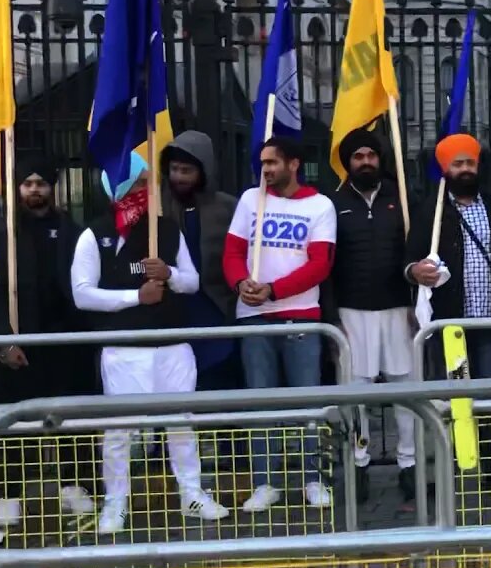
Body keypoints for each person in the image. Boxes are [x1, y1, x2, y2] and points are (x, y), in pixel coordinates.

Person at [71, 152, 229, 534]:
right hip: (125, 350)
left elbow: (192, 281)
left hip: (173, 345)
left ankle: (191, 494)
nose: (147, 190)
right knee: (120, 431)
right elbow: (83, 294)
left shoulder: (167, 229)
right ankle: (115, 503)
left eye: (148, 183)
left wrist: (170, 273)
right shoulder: (95, 234)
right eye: (140, 184)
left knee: (182, 424)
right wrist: (134, 298)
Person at [406, 133, 491, 495]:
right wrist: (415, 271)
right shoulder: (431, 212)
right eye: (457, 164)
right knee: (456, 399)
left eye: (469, 163)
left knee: (488, 398)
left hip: (490, 324)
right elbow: (409, 261)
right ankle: (459, 468)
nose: (464, 169)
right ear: (445, 168)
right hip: (452, 328)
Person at [223, 136, 336, 512]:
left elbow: (320, 264)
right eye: (263, 163)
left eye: (272, 162)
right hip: (254, 317)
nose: (266, 170)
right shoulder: (248, 200)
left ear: (293, 164)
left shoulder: (320, 205)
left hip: (301, 315)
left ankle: (313, 478)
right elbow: (233, 251)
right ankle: (264, 483)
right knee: (261, 403)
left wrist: (273, 290)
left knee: (307, 403)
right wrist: (241, 283)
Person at [0, 158, 97, 544]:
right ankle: (11, 496)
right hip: (19, 343)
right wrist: (4, 340)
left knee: (71, 415)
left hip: (67, 342)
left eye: (41, 183)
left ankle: (75, 486)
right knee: (17, 422)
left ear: (53, 187)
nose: (34, 190)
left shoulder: (73, 231)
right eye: (27, 183)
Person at [329, 128, 417, 504]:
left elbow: (417, 252)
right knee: (357, 393)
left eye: (371, 155)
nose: (366, 162)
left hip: (399, 309)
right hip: (352, 311)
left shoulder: (404, 200)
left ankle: (410, 466)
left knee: (406, 391)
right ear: (348, 163)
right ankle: (359, 465)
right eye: (358, 157)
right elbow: (327, 264)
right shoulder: (331, 204)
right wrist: (331, 315)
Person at [160, 132, 239, 391]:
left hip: (216, 308)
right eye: (174, 169)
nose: (179, 177)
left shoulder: (228, 207)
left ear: (203, 171)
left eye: (186, 170)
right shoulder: (157, 205)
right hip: (173, 310)